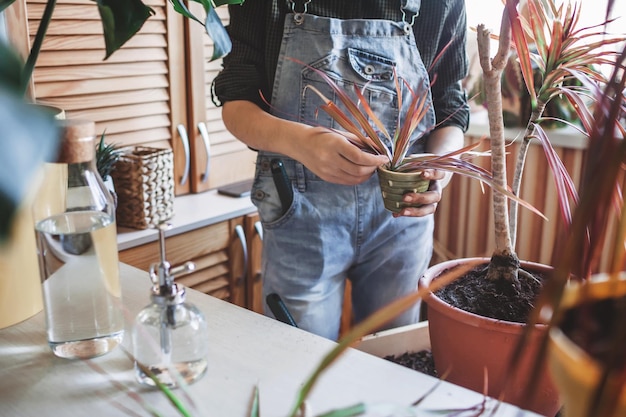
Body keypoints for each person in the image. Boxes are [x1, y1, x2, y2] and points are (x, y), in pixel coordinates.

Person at [213, 0, 470, 340]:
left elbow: (450, 108)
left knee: (393, 363)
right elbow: (236, 103)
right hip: (299, 217)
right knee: (298, 367)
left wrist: (439, 171)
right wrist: (304, 143)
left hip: (402, 220)